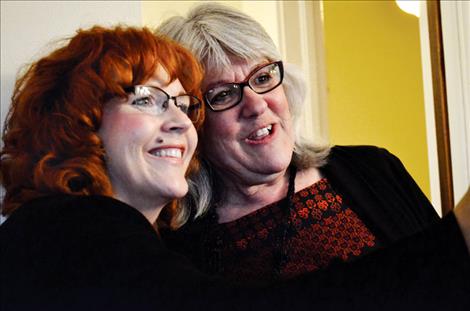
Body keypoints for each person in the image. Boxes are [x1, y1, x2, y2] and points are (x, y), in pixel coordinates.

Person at [1, 25, 470, 311]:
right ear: (77, 121)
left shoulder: (105, 231)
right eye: (148, 99)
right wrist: (458, 240)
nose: (179, 122)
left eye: (185, 104)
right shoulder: (69, 229)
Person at [156, 2, 441, 283]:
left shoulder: (375, 170)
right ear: (190, 122)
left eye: (263, 77)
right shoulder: (173, 247)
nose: (256, 104)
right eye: (223, 95)